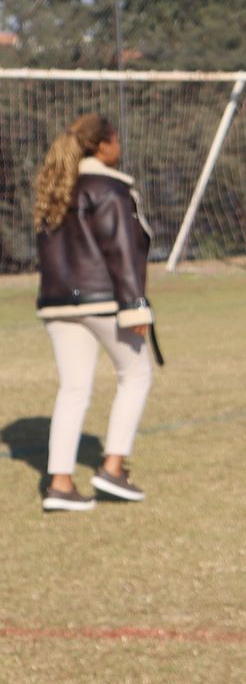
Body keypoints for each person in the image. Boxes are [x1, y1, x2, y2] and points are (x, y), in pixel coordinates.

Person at [32, 114, 157, 511]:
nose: (119, 148)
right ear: (101, 146)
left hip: (57, 303)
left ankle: (60, 484)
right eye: (116, 140)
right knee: (136, 374)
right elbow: (123, 250)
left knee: (73, 389)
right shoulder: (109, 187)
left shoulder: (55, 187)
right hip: (102, 300)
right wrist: (136, 306)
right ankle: (113, 469)